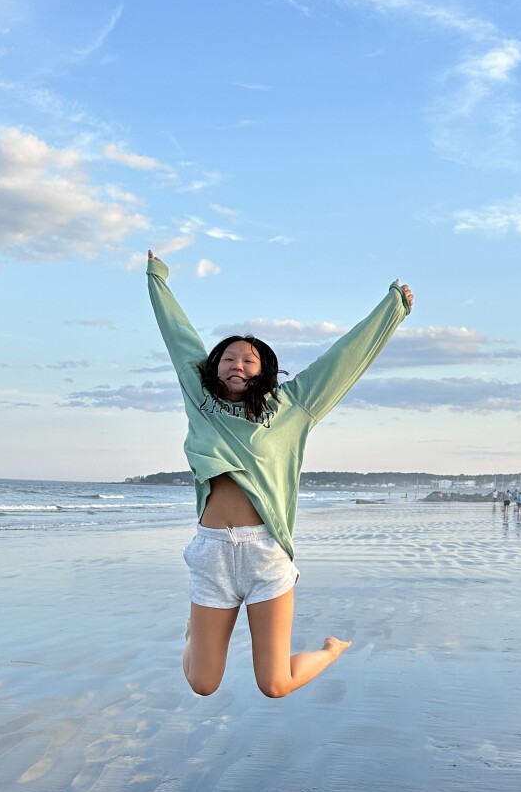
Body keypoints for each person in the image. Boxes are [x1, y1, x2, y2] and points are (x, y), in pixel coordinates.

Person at [147, 251, 413, 697]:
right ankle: (194, 633)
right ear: (213, 367)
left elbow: (342, 360)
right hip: (212, 554)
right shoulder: (200, 397)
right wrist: (157, 278)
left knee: (275, 684)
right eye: (229, 358)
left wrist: (392, 310)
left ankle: (331, 651)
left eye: (249, 361)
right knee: (202, 683)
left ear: (264, 370)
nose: (238, 365)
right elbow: (177, 335)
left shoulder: (292, 406)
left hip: (265, 554)